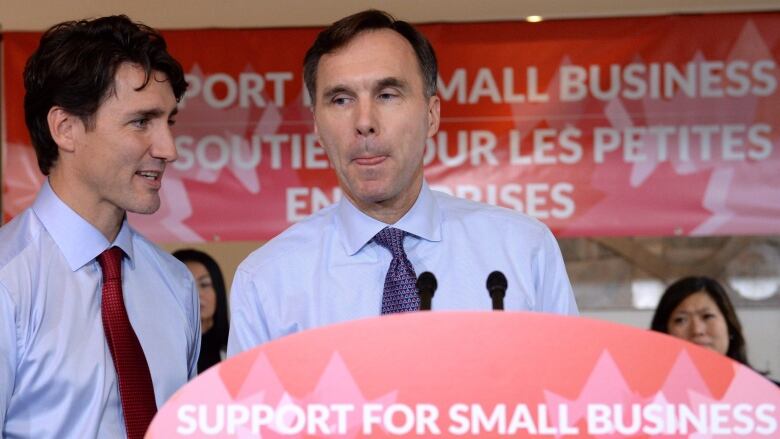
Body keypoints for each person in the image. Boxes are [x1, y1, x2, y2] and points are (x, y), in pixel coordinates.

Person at [228, 9, 577, 355]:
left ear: (431, 114)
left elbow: (569, 396)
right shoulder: (267, 280)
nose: (364, 121)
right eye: (341, 99)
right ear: (317, 126)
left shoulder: (522, 249)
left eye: (387, 94)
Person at [0, 16, 200, 438]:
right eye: (141, 121)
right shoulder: (8, 283)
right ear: (65, 128)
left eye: (170, 122)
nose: (168, 149)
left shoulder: (176, 284)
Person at [650, 276, 779, 385]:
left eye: (707, 316)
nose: (697, 330)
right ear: (663, 333)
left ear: (729, 327)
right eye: (681, 320)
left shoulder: (771, 396)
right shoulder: (642, 403)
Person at [173, 249, 230, 373]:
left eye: (204, 284)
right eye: (187, 286)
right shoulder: (159, 349)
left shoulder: (237, 346)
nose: (197, 294)